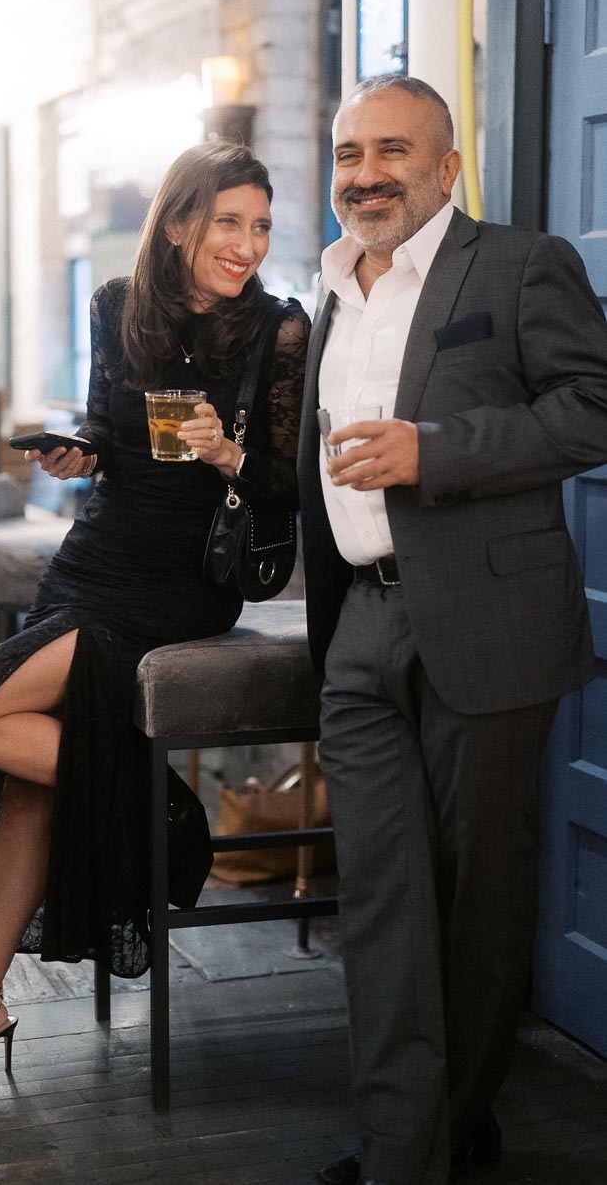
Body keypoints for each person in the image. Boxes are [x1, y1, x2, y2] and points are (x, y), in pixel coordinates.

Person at [0, 140, 310, 1100]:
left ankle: (167, 819)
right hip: (96, 557)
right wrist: (81, 456)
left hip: (183, 580)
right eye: (228, 223)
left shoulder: (279, 331)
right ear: (178, 224)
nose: (246, 244)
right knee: (30, 784)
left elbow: (292, 485)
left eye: (260, 226)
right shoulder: (116, 307)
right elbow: (113, 437)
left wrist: (230, 453)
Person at [298, 75, 607, 1185]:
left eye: (391, 150)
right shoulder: (330, 289)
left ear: (445, 167)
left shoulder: (520, 265)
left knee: (477, 902)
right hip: (360, 629)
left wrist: (439, 450)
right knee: (380, 900)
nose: (364, 174)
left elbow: (595, 407)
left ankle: (450, 1135)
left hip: (489, 625)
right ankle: (402, 1152)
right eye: (347, 154)